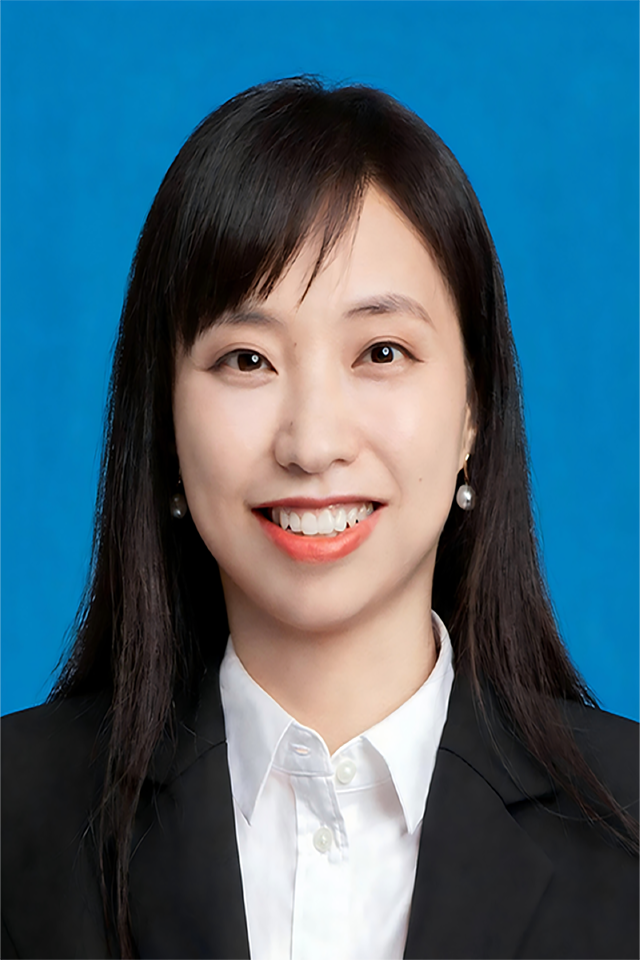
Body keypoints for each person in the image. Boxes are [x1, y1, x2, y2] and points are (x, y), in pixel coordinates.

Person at [1, 77, 639, 960]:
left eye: (381, 351)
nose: (312, 442)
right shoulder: (18, 819)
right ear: (166, 423)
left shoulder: (627, 829)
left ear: (473, 412)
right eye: (246, 360)